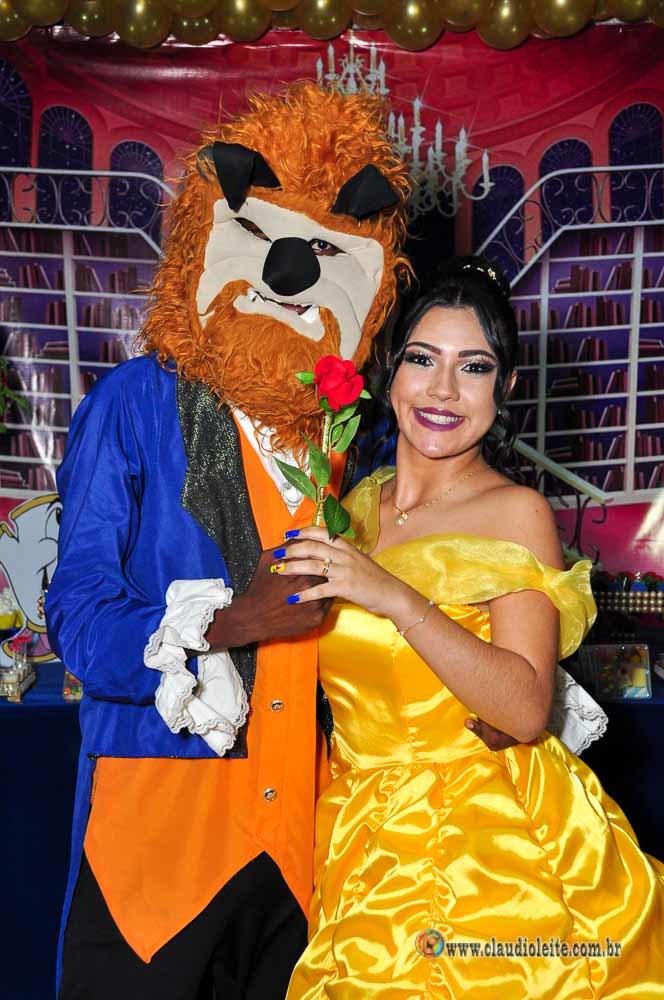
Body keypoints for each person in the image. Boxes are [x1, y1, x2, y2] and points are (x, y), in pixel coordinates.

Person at [46, 82, 413, 1000]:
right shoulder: (134, 403)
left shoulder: (358, 439)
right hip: (155, 850)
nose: (291, 272)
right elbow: (76, 617)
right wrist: (226, 624)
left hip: (306, 853)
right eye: (259, 232)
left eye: (327, 249)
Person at [279, 258, 664, 999]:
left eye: (474, 367)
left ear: (505, 385)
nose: (444, 390)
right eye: (423, 360)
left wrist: (393, 596)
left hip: (483, 851)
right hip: (359, 835)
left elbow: (522, 709)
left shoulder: (515, 512)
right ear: (390, 373)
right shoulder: (353, 506)